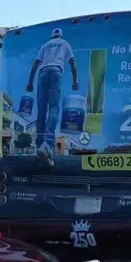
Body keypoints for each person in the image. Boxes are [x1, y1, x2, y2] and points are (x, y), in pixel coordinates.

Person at [25, 28, 79, 166]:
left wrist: (30, 82)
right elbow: (72, 63)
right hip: (56, 71)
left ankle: (39, 146)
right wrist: (75, 81)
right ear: (60, 35)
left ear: (52, 36)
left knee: (41, 110)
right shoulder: (65, 43)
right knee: (53, 107)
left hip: (42, 73)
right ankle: (47, 144)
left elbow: (36, 64)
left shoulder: (45, 45)